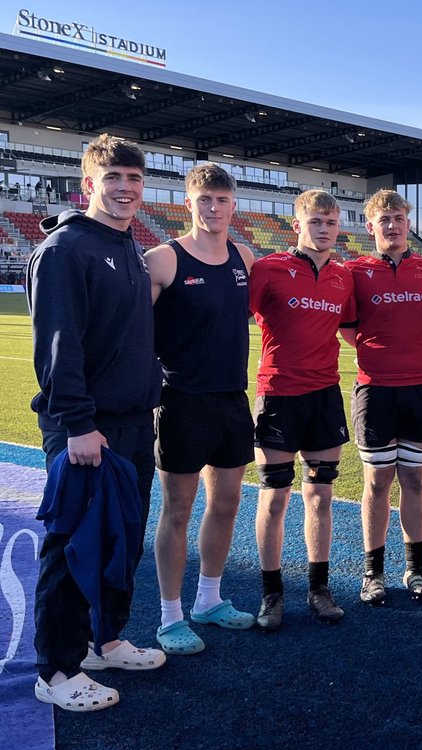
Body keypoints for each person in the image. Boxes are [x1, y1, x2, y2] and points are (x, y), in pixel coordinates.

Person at [29, 134, 164, 712]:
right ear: (89, 184)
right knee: (71, 547)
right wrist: (78, 424)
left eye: (134, 179)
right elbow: (58, 346)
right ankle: (56, 671)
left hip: (134, 422)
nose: (126, 189)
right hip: (87, 428)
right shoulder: (66, 248)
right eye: (113, 178)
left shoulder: (128, 244)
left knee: (120, 542)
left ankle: (102, 641)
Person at [146, 163, 257, 654]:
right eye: (204, 200)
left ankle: (208, 600)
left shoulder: (245, 257)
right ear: (187, 203)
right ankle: (170, 616)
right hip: (181, 402)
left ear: (234, 205)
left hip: (232, 399)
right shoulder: (163, 260)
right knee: (177, 510)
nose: (214, 208)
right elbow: (133, 336)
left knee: (228, 502)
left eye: (222, 200)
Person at [250, 190, 355, 629]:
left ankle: (319, 589)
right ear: (297, 225)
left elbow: (353, 327)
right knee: (275, 497)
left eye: (330, 223)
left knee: (321, 496)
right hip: (277, 395)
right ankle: (272, 594)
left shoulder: (344, 277)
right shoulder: (268, 269)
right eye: (315, 221)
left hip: (324, 396)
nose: (324, 229)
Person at [341, 190, 422, 605]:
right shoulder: (353, 271)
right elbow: (349, 330)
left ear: (408, 222)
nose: (393, 225)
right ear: (371, 227)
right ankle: (373, 573)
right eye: (384, 219)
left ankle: (415, 570)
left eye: (399, 217)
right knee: (377, 482)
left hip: (421, 388)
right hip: (376, 389)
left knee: (416, 481)